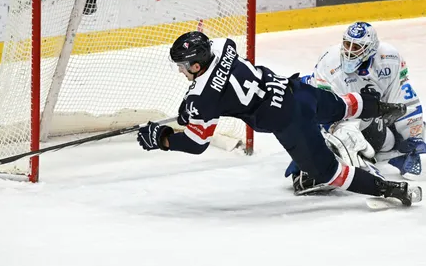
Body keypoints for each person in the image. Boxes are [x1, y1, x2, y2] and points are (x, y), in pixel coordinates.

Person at [136, 31, 420, 206]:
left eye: (183, 66)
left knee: (328, 173)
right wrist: (192, 108)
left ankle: (389, 189)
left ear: (196, 64)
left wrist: (163, 139)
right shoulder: (225, 47)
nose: (181, 71)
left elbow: (198, 142)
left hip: (289, 124)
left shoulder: (202, 99)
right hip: (295, 91)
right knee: (340, 107)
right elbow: (216, 85)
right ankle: (384, 108)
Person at [290, 22, 425, 191]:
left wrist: (413, 135)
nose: (349, 50)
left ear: (371, 48)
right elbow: (323, 110)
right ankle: (347, 168)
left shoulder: (390, 59)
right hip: (331, 114)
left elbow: (403, 96)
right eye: (347, 44)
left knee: (386, 141)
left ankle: (385, 154)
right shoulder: (329, 63)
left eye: (357, 47)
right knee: (346, 137)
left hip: (367, 115)